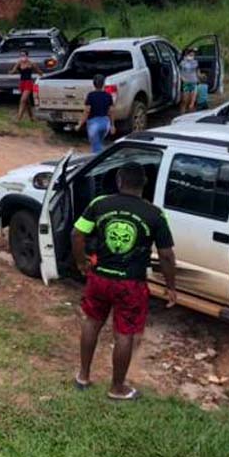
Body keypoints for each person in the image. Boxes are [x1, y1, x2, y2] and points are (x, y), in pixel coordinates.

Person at [72, 162, 177, 400]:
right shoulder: (155, 214)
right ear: (144, 184)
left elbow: (76, 234)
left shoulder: (99, 204)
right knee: (125, 334)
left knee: (92, 322)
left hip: (99, 277)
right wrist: (171, 286)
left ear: (119, 181)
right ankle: (117, 388)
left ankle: (83, 376)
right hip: (131, 284)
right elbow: (166, 255)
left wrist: (81, 263)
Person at [76, 75, 115, 153]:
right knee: (99, 143)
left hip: (93, 123)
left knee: (96, 148)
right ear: (103, 84)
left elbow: (87, 111)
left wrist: (80, 124)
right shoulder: (108, 95)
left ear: (93, 84)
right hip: (105, 123)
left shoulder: (91, 95)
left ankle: (99, 159)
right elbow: (111, 111)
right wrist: (112, 125)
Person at [10, 51, 42, 122]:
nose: (22, 57)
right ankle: (32, 117)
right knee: (27, 102)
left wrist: (42, 78)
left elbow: (39, 71)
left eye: (24, 55)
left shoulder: (31, 63)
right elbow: (13, 70)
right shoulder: (19, 63)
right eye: (21, 55)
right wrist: (13, 71)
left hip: (28, 83)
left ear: (27, 56)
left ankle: (18, 118)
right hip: (22, 83)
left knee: (23, 100)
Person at [179, 48, 199, 113]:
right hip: (186, 82)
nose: (191, 57)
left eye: (193, 55)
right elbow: (179, 72)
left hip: (193, 82)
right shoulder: (182, 63)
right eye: (190, 55)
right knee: (184, 100)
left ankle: (191, 114)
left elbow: (197, 71)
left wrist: (199, 79)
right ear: (186, 55)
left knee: (192, 101)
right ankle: (182, 112)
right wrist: (182, 78)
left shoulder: (195, 62)